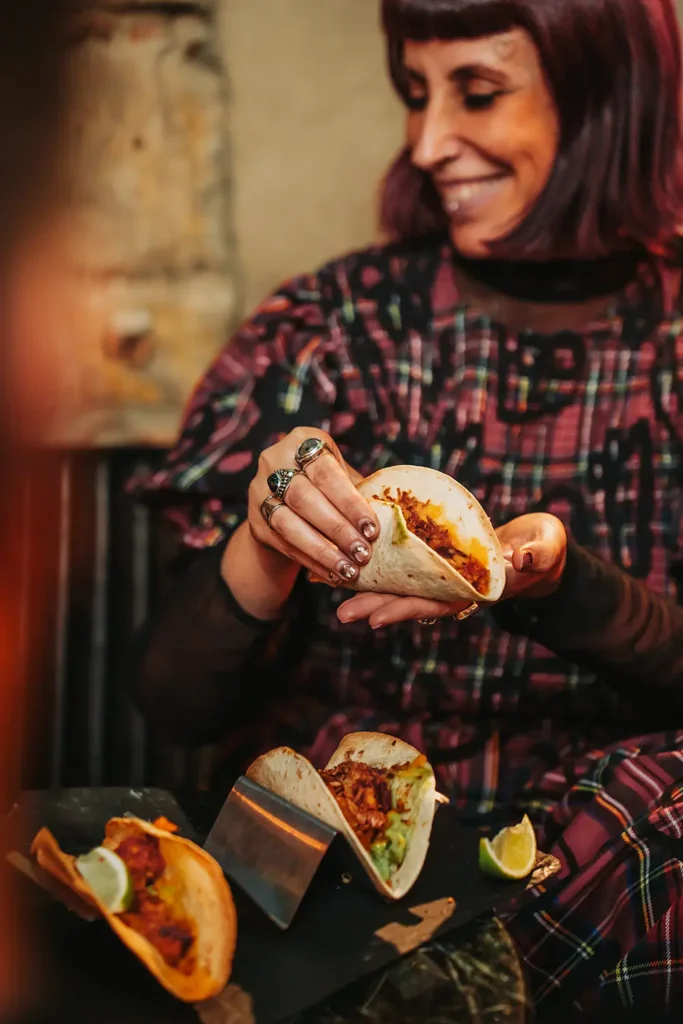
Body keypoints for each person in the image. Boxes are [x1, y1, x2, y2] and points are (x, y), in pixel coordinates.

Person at [129, 0, 683, 1012]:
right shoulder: (328, 333)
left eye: (476, 91)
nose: (425, 143)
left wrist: (557, 581)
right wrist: (265, 536)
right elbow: (171, 705)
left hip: (606, 877)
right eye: (413, 93)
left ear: (609, 95)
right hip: (332, 873)